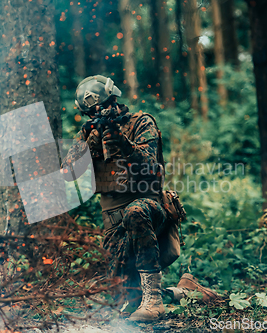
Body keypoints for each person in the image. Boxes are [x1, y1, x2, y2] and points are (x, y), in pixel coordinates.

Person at [62, 75, 218, 322]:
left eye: (103, 106)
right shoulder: (88, 132)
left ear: (114, 100)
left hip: (149, 209)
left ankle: (154, 303)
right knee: (120, 298)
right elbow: (67, 174)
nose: (99, 113)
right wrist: (85, 150)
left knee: (136, 211)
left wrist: (124, 144)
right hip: (114, 226)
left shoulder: (141, 122)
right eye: (92, 112)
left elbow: (149, 165)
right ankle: (184, 292)